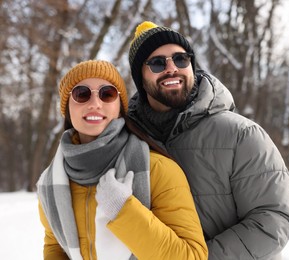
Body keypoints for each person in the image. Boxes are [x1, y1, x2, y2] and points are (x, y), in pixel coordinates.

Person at [127, 21, 289, 260]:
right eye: (157, 63)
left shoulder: (241, 135)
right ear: (140, 78)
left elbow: (273, 220)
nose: (172, 68)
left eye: (181, 59)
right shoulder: (128, 140)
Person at [36, 60, 208, 260]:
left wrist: (124, 210)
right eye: (81, 94)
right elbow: (55, 245)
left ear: (119, 107)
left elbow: (193, 256)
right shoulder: (51, 181)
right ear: (67, 108)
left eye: (107, 93)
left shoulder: (158, 169)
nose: (95, 103)